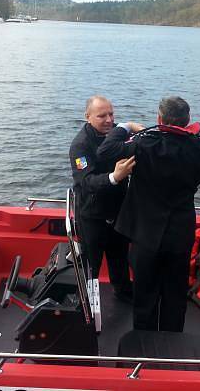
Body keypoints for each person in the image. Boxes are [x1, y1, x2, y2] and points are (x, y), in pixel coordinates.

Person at [98, 96, 200, 331]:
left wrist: (124, 126)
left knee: (144, 294)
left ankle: (144, 346)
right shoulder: (199, 147)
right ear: (187, 121)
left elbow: (105, 150)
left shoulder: (143, 144)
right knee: (175, 295)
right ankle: (171, 347)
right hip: (179, 233)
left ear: (159, 119)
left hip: (144, 233)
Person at [69, 96, 134, 301]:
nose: (108, 120)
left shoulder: (118, 134)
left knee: (120, 256)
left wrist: (131, 127)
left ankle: (123, 292)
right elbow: (86, 182)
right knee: (91, 262)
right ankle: (86, 301)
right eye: (102, 116)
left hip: (118, 210)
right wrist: (115, 177)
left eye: (111, 114)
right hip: (92, 214)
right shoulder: (80, 146)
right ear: (88, 117)